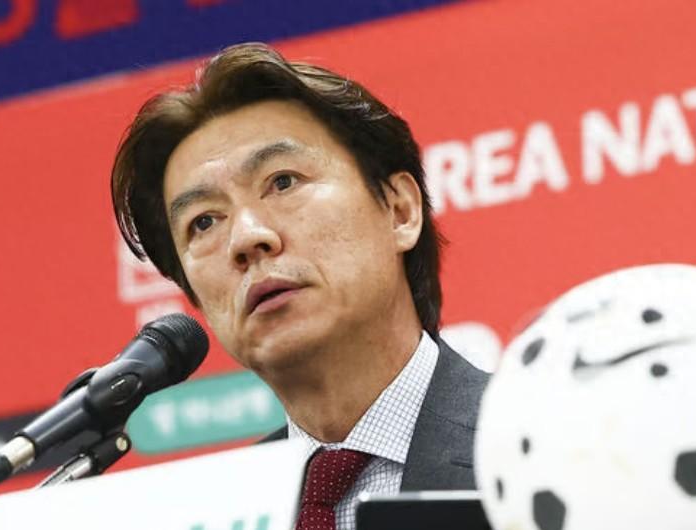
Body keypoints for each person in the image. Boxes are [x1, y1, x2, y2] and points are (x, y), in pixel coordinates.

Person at [110, 42, 489, 530]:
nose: (246, 238)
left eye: (283, 182)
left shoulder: (550, 441)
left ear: (399, 211)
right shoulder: (214, 515)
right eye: (203, 222)